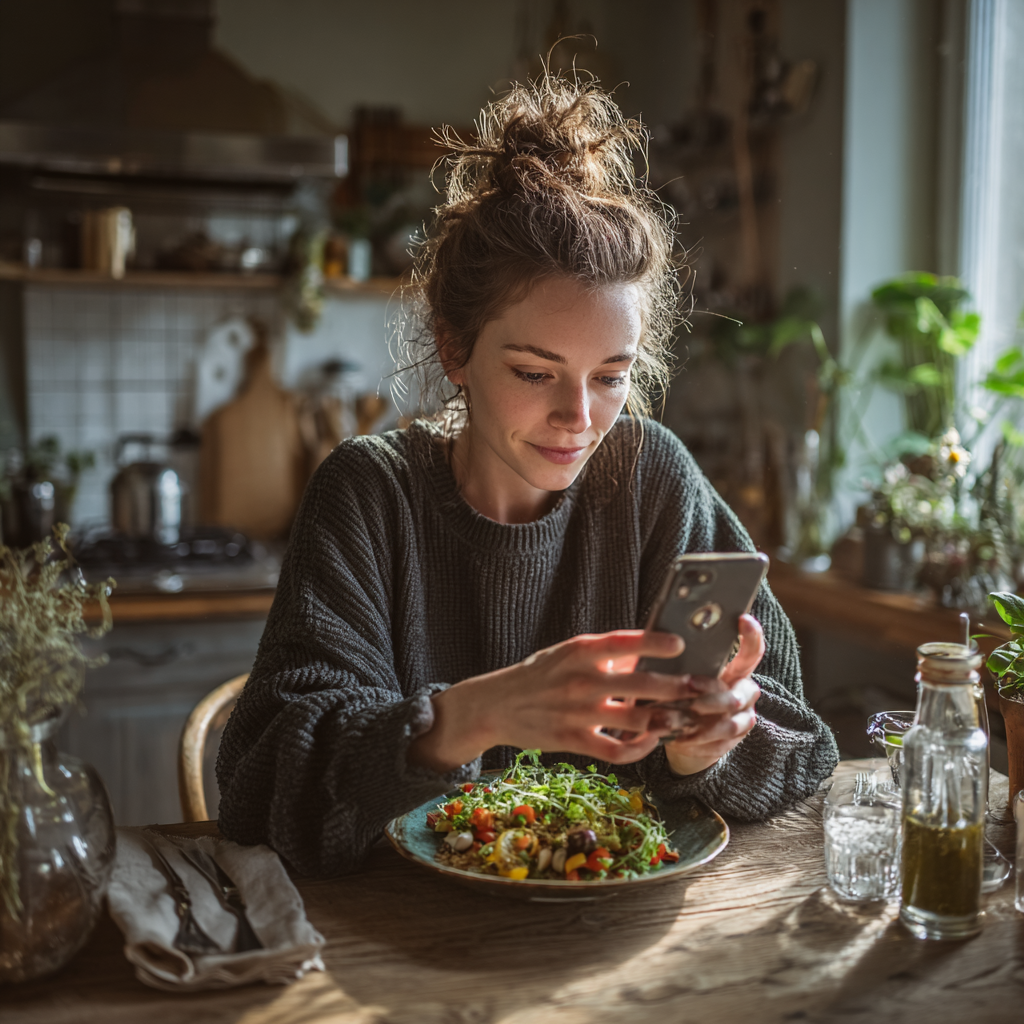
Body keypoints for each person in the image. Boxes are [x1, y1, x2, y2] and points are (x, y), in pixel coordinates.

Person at [216, 74, 839, 877]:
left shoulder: (654, 480)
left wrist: (704, 751)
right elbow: (261, 789)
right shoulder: (371, 496)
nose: (578, 416)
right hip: (406, 936)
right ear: (455, 350)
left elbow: (803, 748)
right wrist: (475, 714)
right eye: (535, 373)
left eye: (610, 376)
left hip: (621, 934)